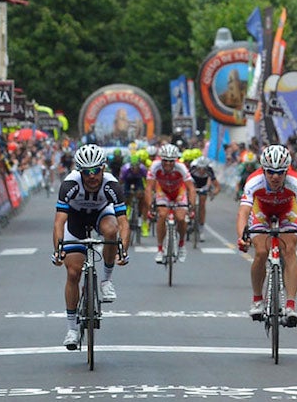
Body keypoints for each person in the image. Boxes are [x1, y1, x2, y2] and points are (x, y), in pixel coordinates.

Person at [52, 145, 130, 349]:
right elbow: (59, 221)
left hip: (101, 214)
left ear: (103, 168)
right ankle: (71, 329)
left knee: (111, 232)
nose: (92, 176)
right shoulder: (70, 184)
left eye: (96, 170)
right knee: (73, 272)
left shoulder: (112, 185)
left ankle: (105, 281)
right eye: (87, 172)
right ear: (80, 171)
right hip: (76, 219)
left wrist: (124, 250)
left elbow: (123, 222)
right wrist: (58, 250)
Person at [236, 144, 297, 326]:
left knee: (289, 250)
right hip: (261, 212)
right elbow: (243, 213)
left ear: (287, 170)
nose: (275, 176)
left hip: (287, 212)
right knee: (261, 252)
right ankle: (257, 299)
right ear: (263, 169)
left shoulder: (295, 182)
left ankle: (290, 305)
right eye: (270, 172)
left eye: (280, 172)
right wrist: (242, 236)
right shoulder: (254, 181)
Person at [145, 143, 195, 263]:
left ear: (176, 160)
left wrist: (191, 208)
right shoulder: (155, 166)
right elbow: (148, 188)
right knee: (162, 214)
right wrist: (149, 207)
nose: (168, 163)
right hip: (163, 191)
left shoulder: (181, 167)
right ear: (161, 159)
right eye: (165, 160)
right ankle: (160, 249)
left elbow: (191, 189)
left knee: (181, 218)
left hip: (178, 192)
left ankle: (182, 245)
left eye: (171, 161)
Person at [189, 156, 221, 240]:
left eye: (204, 169)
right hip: (193, 182)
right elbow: (185, 181)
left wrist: (213, 193)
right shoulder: (192, 168)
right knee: (190, 199)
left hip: (203, 184)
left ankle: (201, 228)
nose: (201, 171)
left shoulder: (209, 171)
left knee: (202, 204)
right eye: (200, 168)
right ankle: (189, 216)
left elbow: (217, 186)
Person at [119, 154, 148, 236]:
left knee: (141, 196)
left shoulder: (143, 169)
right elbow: (120, 182)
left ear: (139, 165)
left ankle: (140, 217)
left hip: (138, 181)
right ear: (130, 165)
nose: (135, 169)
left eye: (137, 167)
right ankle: (127, 209)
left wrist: (146, 191)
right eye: (133, 167)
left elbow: (147, 181)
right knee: (126, 196)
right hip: (127, 181)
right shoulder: (125, 169)